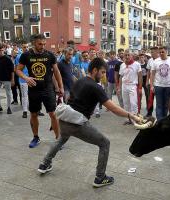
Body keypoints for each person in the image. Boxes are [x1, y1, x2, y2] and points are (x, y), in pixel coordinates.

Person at [38, 57, 142, 188]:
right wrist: (130, 115)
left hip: (64, 119)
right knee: (105, 143)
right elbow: (113, 108)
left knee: (61, 140)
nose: (104, 75)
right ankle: (100, 177)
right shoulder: (95, 87)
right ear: (94, 70)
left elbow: (70, 98)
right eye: (103, 72)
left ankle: (44, 164)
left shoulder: (80, 80)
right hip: (77, 123)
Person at [16, 34, 64, 148]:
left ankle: (58, 139)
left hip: (48, 89)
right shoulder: (26, 55)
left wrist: (61, 87)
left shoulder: (50, 55)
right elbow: (18, 70)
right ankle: (36, 137)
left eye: (44, 44)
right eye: (39, 44)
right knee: (33, 114)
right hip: (33, 90)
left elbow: (56, 72)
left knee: (53, 114)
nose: (42, 46)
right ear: (34, 43)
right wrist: (26, 78)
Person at [150, 46, 170, 121]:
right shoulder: (156, 61)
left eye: (163, 52)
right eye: (160, 52)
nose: (161, 53)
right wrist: (152, 85)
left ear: (166, 52)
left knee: (166, 105)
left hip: (169, 86)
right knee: (159, 105)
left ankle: (164, 120)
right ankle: (159, 121)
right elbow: (152, 74)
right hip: (158, 86)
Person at [119, 50, 142, 124]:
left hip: (133, 86)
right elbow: (120, 77)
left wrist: (140, 88)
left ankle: (136, 120)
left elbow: (140, 76)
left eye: (128, 55)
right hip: (124, 86)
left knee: (133, 103)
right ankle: (128, 119)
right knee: (126, 103)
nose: (127, 56)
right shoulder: (122, 65)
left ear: (132, 56)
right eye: (125, 55)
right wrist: (119, 87)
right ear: (124, 56)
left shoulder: (137, 64)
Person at [0, 44, 15, 115]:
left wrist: (12, 80)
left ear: (4, 50)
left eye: (2, 50)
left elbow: (12, 70)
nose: (1, 51)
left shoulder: (8, 59)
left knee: (8, 93)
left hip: (6, 79)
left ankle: (9, 107)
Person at [14, 42, 30, 118]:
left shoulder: (32, 56)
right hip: (23, 79)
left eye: (27, 47)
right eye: (24, 47)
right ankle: (25, 111)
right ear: (22, 48)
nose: (26, 48)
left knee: (33, 95)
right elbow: (17, 69)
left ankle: (36, 110)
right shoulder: (18, 57)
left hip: (32, 79)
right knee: (24, 96)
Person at [146, 47, 160, 117]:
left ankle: (158, 114)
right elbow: (148, 71)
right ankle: (149, 113)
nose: (151, 54)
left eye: (152, 52)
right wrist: (147, 81)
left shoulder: (160, 60)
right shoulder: (150, 60)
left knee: (158, 99)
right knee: (150, 98)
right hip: (151, 83)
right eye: (151, 52)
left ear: (157, 52)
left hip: (158, 83)